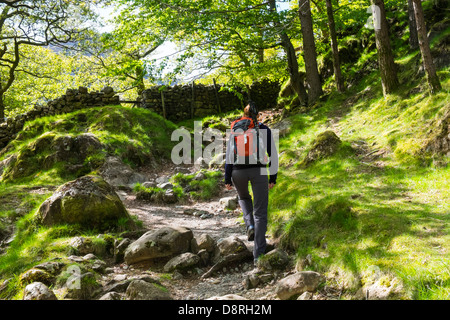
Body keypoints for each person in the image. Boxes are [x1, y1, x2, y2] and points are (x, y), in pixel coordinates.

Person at [224, 100, 278, 265]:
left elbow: (229, 156)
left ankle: (250, 225)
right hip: (259, 170)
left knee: (244, 198)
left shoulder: (235, 129)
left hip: (238, 171)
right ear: (257, 115)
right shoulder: (263, 129)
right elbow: (273, 155)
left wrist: (227, 178)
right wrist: (273, 177)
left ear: (244, 115)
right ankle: (258, 255)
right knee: (260, 212)